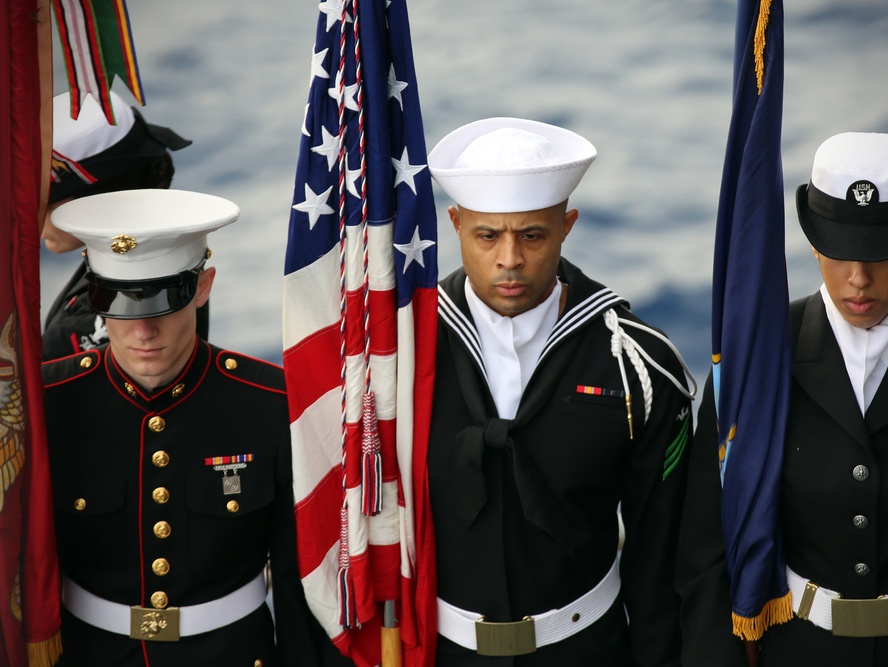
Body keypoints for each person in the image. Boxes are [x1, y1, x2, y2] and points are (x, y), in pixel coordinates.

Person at [677, 132, 888, 666]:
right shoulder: (753, 360)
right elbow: (706, 550)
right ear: (812, 241)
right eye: (839, 250)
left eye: (881, 252)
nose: (858, 277)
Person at [425, 117, 696, 666]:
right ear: (455, 224)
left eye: (532, 235)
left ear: (567, 225)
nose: (509, 260)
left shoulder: (637, 367)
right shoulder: (399, 356)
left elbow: (661, 560)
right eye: (487, 236)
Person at [41, 189, 351, 666]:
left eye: (163, 302)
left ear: (203, 286)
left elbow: (301, 581)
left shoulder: (273, 406)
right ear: (94, 298)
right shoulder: (48, 402)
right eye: (120, 304)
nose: (144, 331)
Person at [42, 90, 208, 361]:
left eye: (44, 204)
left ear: (91, 204)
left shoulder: (94, 318)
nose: (29, 218)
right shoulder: (179, 260)